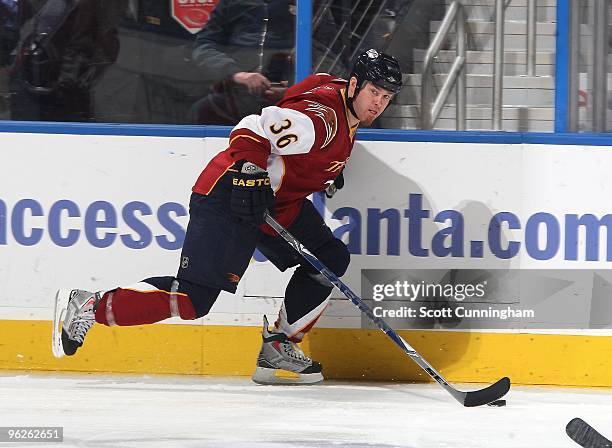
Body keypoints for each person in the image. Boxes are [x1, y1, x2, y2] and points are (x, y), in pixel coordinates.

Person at [52, 48, 403, 385]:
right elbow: (256, 126)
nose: (378, 103)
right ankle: (90, 305)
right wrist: (252, 166)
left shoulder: (335, 91)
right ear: (355, 84)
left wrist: (323, 169)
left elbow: (294, 101)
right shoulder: (323, 121)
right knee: (193, 300)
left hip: (274, 203)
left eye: (386, 97)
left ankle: (278, 345)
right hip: (229, 195)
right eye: (374, 91)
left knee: (330, 256)